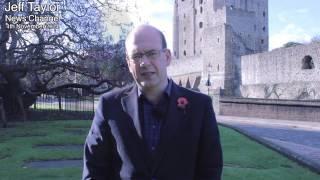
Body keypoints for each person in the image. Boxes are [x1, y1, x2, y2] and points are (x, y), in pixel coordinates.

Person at [82, 24, 223, 180]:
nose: (144, 62)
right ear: (129, 63)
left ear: (167, 57)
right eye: (136, 56)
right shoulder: (110, 105)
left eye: (151, 53)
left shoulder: (200, 106)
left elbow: (210, 170)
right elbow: (94, 169)